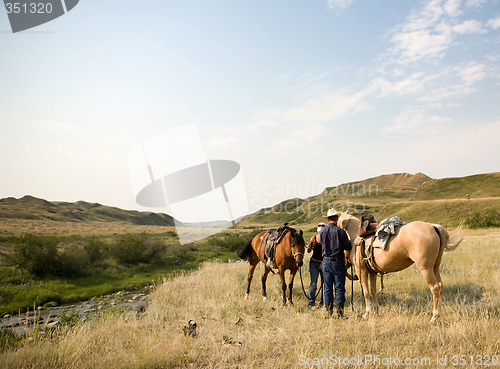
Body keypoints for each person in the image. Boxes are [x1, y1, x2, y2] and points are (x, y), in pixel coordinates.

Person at [320, 208, 352, 318]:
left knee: (327, 288)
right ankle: (339, 313)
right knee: (339, 288)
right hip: (337, 261)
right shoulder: (340, 232)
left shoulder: (322, 231)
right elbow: (348, 246)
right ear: (337, 218)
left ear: (328, 219)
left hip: (325, 261)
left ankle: (329, 312)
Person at [306, 222, 325, 308]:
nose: (320, 233)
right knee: (313, 284)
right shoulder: (313, 238)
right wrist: (310, 246)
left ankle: (324, 302)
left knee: (325, 284)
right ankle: (310, 303)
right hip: (314, 262)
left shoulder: (327, 239)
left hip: (324, 262)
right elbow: (309, 251)